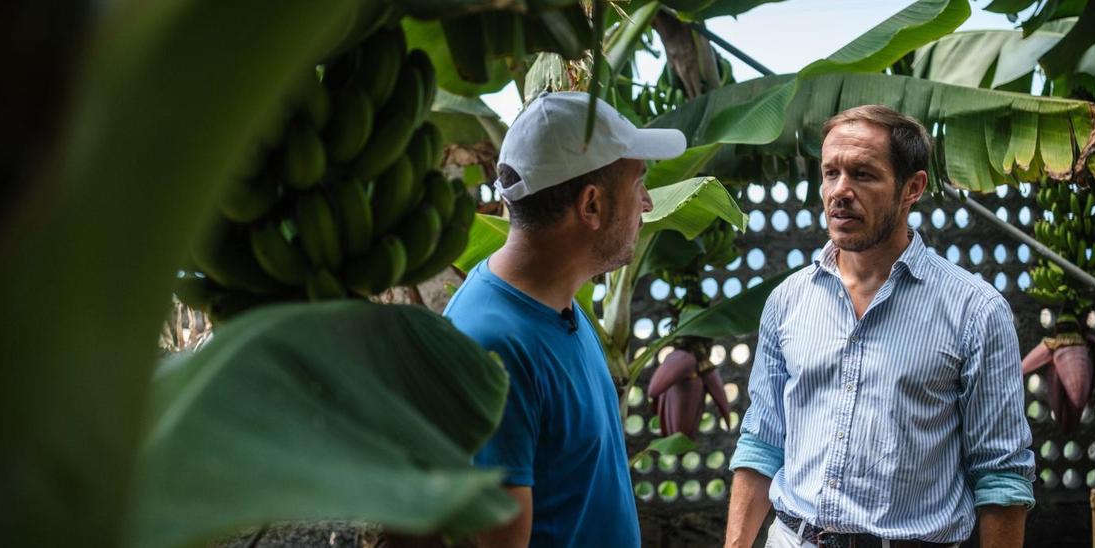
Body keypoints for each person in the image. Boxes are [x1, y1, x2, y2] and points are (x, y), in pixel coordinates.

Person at [723, 105, 1035, 548]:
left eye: (863, 175)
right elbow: (762, 441)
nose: (840, 191)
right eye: (830, 173)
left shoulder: (975, 311)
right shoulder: (788, 301)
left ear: (913, 188)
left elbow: (1001, 475)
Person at [443, 91, 686, 548]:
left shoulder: (559, 304)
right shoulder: (494, 342)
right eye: (638, 184)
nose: (648, 203)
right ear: (591, 205)